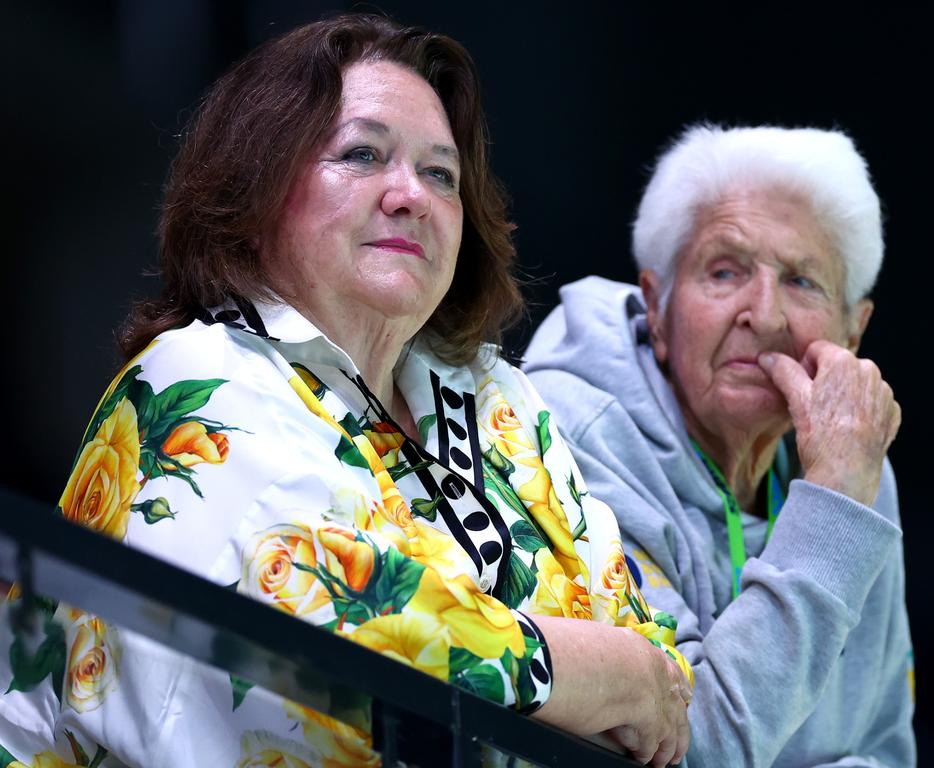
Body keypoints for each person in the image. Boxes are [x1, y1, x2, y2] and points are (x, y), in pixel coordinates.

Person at [0, 15, 692, 768]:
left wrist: (615, 676)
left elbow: (652, 664)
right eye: (362, 155)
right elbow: (328, 630)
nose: (410, 195)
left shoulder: (504, 402)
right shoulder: (193, 377)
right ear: (255, 190)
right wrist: (581, 672)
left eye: (440, 174)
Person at [524, 124, 914, 767]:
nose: (763, 315)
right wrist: (835, 503)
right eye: (725, 271)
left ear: (854, 330)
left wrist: (842, 485)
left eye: (803, 281)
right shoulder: (571, 435)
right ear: (658, 307)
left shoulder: (855, 458)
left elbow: (885, 746)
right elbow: (692, 748)